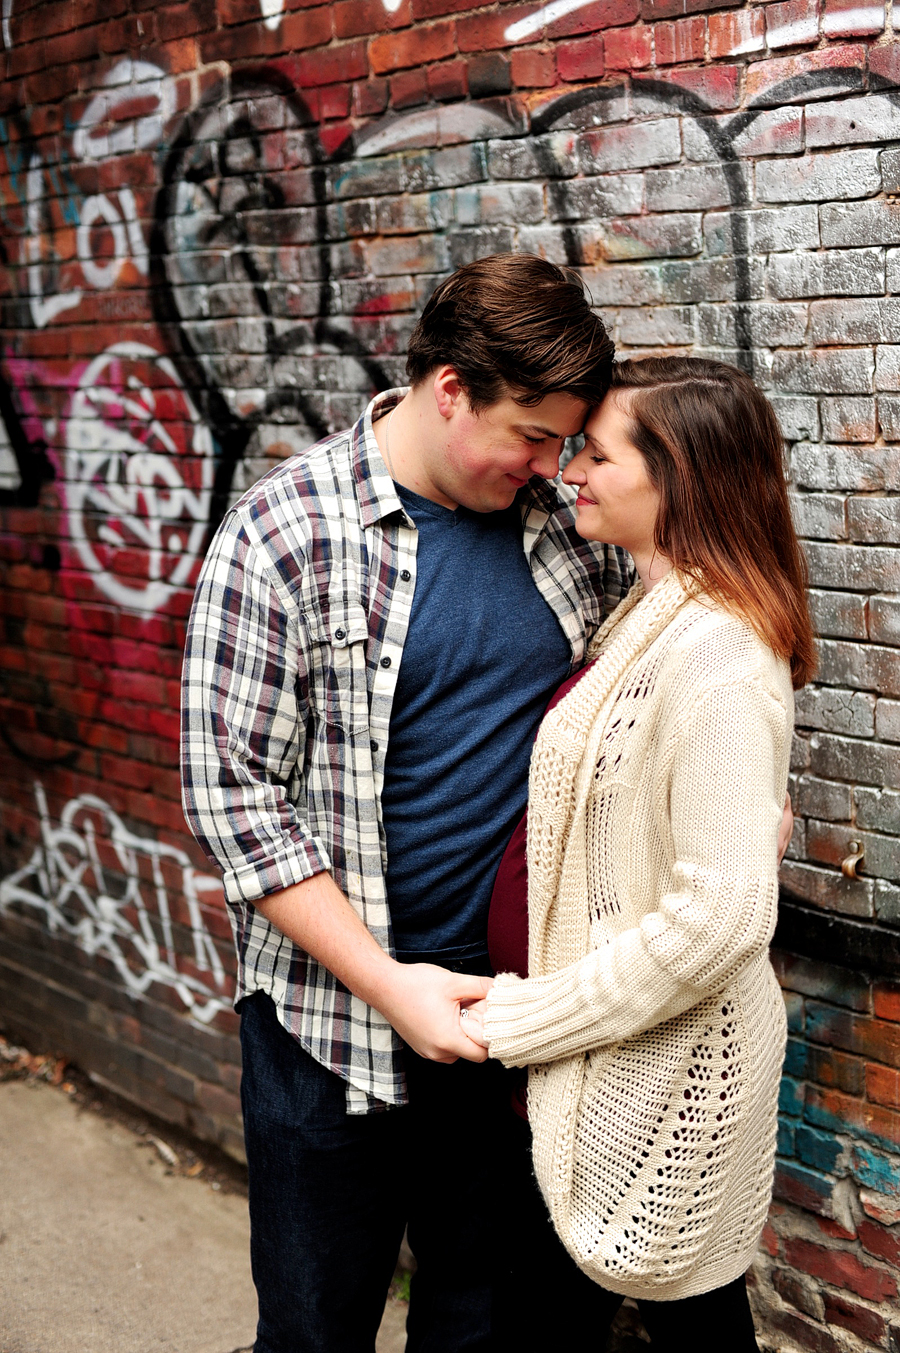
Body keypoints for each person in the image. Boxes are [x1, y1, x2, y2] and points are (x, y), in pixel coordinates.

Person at [179, 253, 635, 1353]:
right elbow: (228, 794)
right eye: (530, 435)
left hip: (511, 1027)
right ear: (448, 392)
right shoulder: (284, 534)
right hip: (331, 1030)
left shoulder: (568, 528)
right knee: (316, 1329)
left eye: (567, 443)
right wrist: (391, 987)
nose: (548, 467)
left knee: (480, 1324)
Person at [462, 356, 815, 1350]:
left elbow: (722, 917)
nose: (570, 469)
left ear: (676, 479)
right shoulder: (650, 616)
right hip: (612, 1053)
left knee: (639, 1309)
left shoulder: (718, 655)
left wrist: (532, 1018)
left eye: (598, 453)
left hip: (657, 1065)